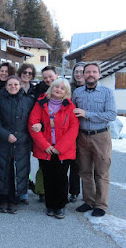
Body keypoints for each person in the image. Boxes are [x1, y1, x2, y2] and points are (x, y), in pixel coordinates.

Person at [28, 78, 79, 219]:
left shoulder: (70, 107)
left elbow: (73, 129)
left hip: (63, 150)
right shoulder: (40, 104)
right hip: (46, 149)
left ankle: (61, 206)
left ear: (66, 92)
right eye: (56, 87)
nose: (59, 90)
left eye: (62, 88)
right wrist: (46, 146)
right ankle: (50, 205)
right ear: (51, 88)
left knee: (61, 178)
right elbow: (33, 125)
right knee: (48, 177)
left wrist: (60, 147)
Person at [73, 62, 117, 217]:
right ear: (83, 75)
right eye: (87, 72)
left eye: (94, 72)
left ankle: (101, 204)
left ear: (99, 74)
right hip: (82, 136)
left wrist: (87, 114)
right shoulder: (77, 93)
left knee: (101, 171)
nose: (90, 74)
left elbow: (111, 115)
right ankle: (88, 201)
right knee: (85, 171)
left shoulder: (107, 92)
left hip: (101, 136)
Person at [0, 76, 34, 214]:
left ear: (20, 85)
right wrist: (6, 135)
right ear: (6, 86)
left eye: (15, 84)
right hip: (3, 143)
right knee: (2, 170)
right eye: (10, 84)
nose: (13, 87)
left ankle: (14, 200)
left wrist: (20, 137)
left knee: (17, 171)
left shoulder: (28, 101)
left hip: (21, 143)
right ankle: (2, 199)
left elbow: (31, 123)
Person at [31, 65, 59, 202]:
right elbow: (36, 114)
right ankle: (42, 191)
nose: (48, 79)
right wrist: (42, 125)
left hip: (60, 135)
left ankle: (59, 193)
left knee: (59, 167)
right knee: (43, 165)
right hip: (42, 133)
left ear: (57, 75)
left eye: (50, 77)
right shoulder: (39, 91)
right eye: (45, 77)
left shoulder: (64, 90)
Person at [16, 63, 37, 204]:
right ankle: (15, 188)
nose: (27, 75)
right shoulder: (13, 87)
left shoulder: (34, 90)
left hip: (29, 130)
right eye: (24, 72)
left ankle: (24, 191)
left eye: (30, 73)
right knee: (13, 161)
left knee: (25, 162)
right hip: (15, 129)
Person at [68, 62, 86, 203]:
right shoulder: (69, 88)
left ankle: (78, 191)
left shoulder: (91, 88)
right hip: (69, 129)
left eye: (81, 71)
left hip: (85, 130)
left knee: (81, 164)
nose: (78, 74)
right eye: (76, 72)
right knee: (70, 161)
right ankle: (70, 190)